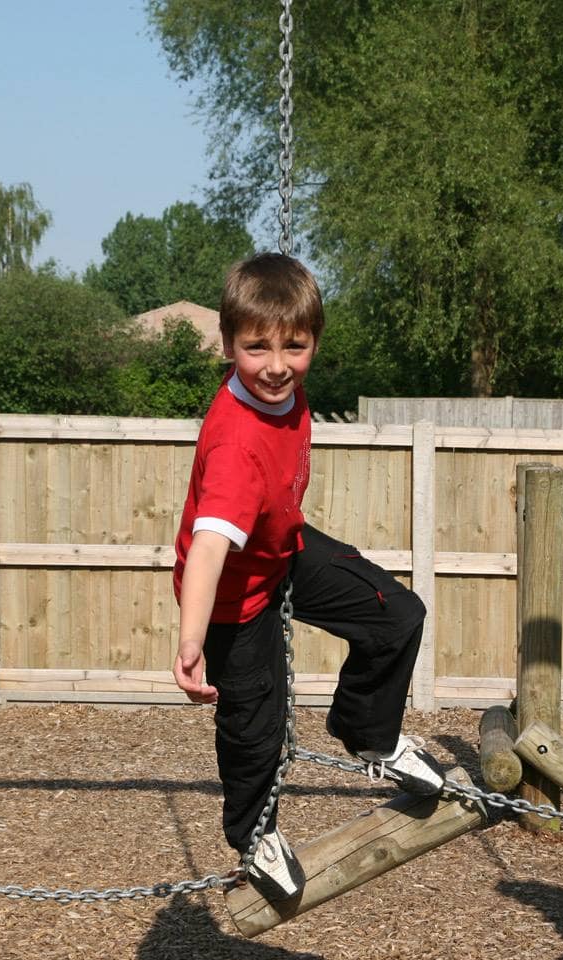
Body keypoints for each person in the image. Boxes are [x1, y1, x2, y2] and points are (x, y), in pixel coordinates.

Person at [171, 252, 445, 899]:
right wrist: (189, 640)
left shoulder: (285, 392)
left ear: (313, 340)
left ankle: (367, 733)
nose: (275, 365)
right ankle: (255, 833)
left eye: (293, 346)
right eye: (255, 347)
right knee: (254, 728)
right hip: (232, 599)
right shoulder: (235, 445)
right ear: (227, 341)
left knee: (395, 613)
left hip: (282, 547)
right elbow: (209, 547)